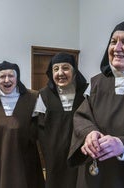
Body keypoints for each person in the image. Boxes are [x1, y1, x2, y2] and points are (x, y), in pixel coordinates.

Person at [68, 19, 124, 188]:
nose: (116, 49)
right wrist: (89, 133)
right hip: (95, 176)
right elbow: (82, 116)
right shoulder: (98, 82)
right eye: (113, 42)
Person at [0, 61, 45, 188]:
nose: (7, 80)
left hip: (25, 154)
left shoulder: (33, 97)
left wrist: (24, 136)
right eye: (2, 76)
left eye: (11, 76)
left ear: (17, 77)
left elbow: (39, 123)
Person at [34, 52, 88, 188]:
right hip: (54, 153)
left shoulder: (86, 93)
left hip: (80, 151)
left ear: (74, 71)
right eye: (56, 69)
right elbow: (39, 126)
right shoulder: (43, 95)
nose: (60, 73)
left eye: (65, 68)